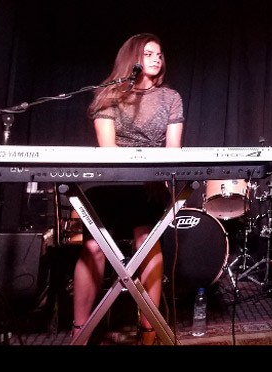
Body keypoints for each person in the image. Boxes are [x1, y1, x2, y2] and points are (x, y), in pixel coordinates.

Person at [72, 33, 184, 345]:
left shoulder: (171, 98)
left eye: (159, 54)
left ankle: (149, 331)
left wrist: (168, 180)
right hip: (109, 183)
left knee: (147, 244)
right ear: (132, 57)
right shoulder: (107, 95)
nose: (156, 58)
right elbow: (108, 151)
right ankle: (80, 329)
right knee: (94, 247)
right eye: (149, 53)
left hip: (147, 185)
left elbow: (173, 151)